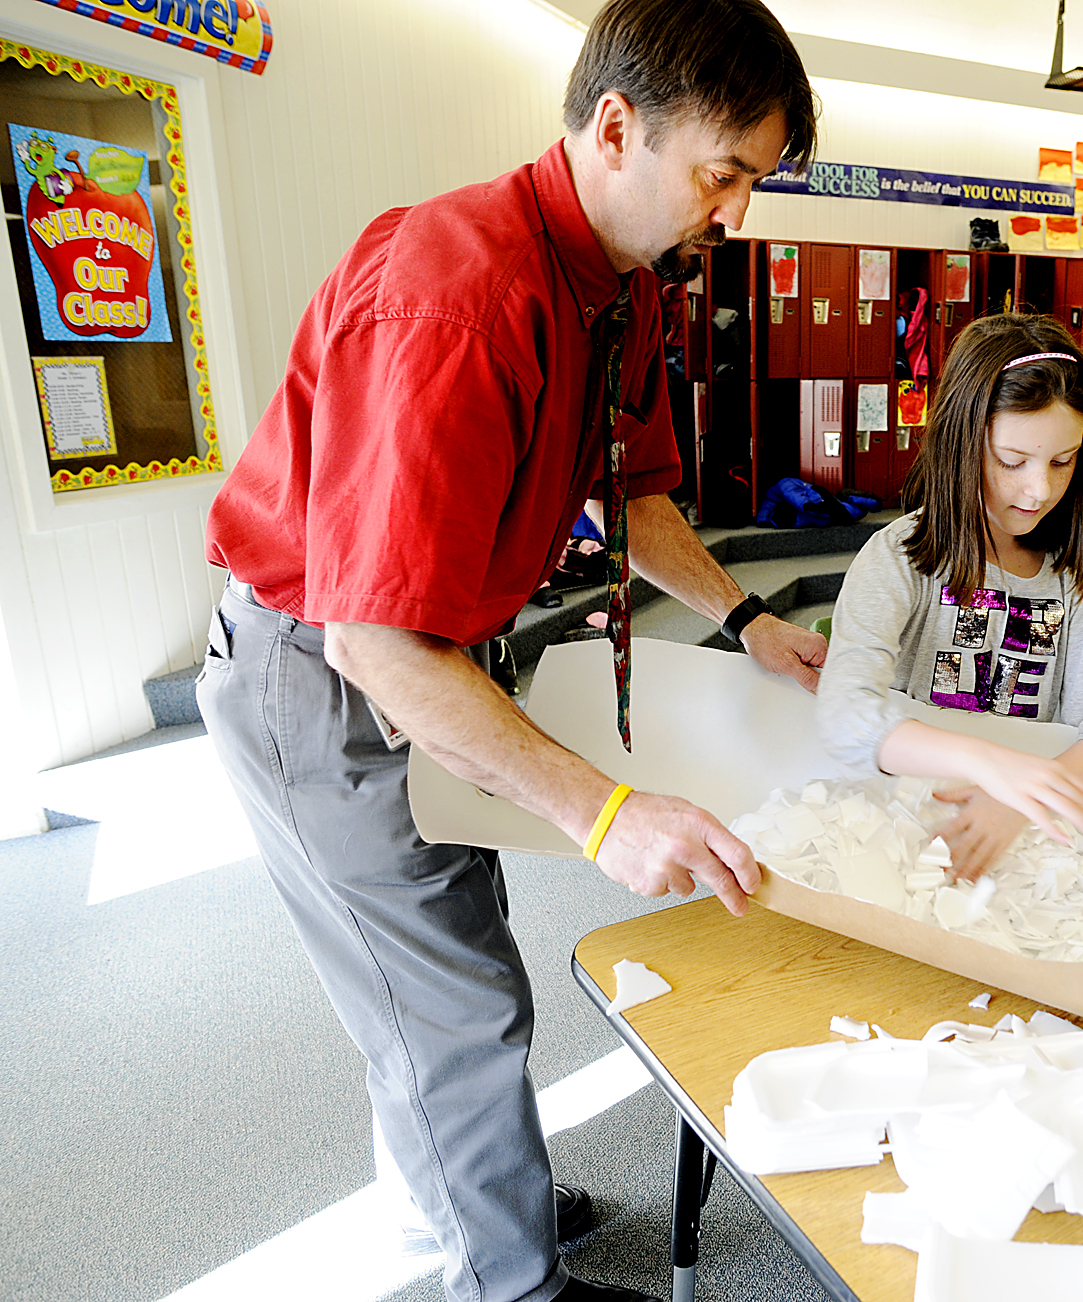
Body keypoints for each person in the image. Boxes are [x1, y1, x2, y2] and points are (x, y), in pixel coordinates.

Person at [195, 3, 823, 1301]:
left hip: (431, 649)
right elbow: (373, 640)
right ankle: (508, 1281)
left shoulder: (618, 284)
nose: (737, 212)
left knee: (456, 954)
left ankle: (475, 1194)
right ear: (615, 128)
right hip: (323, 670)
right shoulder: (461, 294)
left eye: (753, 182)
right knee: (450, 1002)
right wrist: (607, 814)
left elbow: (635, 495)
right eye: (724, 173)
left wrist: (746, 618)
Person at [817, 315, 1083, 879]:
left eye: (1063, 461)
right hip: (907, 842)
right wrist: (991, 765)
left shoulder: (1079, 580)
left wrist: (1031, 793)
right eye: (1012, 461)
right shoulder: (900, 557)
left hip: (1023, 854)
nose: (1040, 489)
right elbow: (846, 713)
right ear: (961, 443)